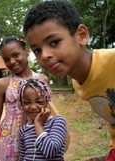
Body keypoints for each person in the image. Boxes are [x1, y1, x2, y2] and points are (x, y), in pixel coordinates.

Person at [23, 0, 115, 160]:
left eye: (54, 42)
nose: (44, 55)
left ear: (82, 35)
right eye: (37, 50)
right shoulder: (78, 83)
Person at [0, 36, 57, 161]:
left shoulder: (42, 80)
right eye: (6, 59)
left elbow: (50, 111)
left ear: (26, 51)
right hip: (7, 144)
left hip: (35, 139)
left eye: (15, 55)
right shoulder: (2, 84)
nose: (12, 61)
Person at [19, 78, 67, 161]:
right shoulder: (23, 130)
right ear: (21, 105)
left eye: (40, 101)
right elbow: (22, 156)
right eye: (27, 102)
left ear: (47, 102)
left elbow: (51, 152)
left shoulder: (57, 121)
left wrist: (38, 124)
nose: (33, 107)